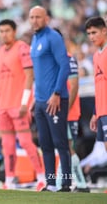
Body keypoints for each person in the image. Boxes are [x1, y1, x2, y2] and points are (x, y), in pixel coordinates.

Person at [0, 19, 45, 191]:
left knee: (26, 142)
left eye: (7, 30)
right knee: (7, 145)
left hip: (18, 106)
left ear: (14, 31)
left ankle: (42, 177)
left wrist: (25, 102)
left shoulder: (22, 48)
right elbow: (0, 81)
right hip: (3, 106)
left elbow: (29, 76)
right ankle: (10, 179)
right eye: (1, 31)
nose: (4, 34)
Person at [29, 6, 71, 192]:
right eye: (31, 17)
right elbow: (39, 71)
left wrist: (56, 93)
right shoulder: (34, 39)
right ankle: (51, 183)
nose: (34, 20)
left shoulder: (53, 37)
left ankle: (67, 183)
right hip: (39, 101)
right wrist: (34, 99)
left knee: (60, 143)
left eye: (38, 17)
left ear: (46, 18)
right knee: (45, 144)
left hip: (55, 100)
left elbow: (64, 66)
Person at [53, 29, 90, 192]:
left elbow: (74, 87)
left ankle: (65, 182)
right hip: (56, 111)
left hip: (68, 111)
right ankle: (80, 184)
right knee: (64, 146)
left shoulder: (69, 59)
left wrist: (65, 110)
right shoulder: (50, 62)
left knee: (67, 146)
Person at [85, 16, 107, 151]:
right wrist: (95, 113)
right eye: (89, 34)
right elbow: (99, 88)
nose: (91, 37)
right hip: (102, 111)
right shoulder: (95, 56)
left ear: (104, 30)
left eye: (94, 33)